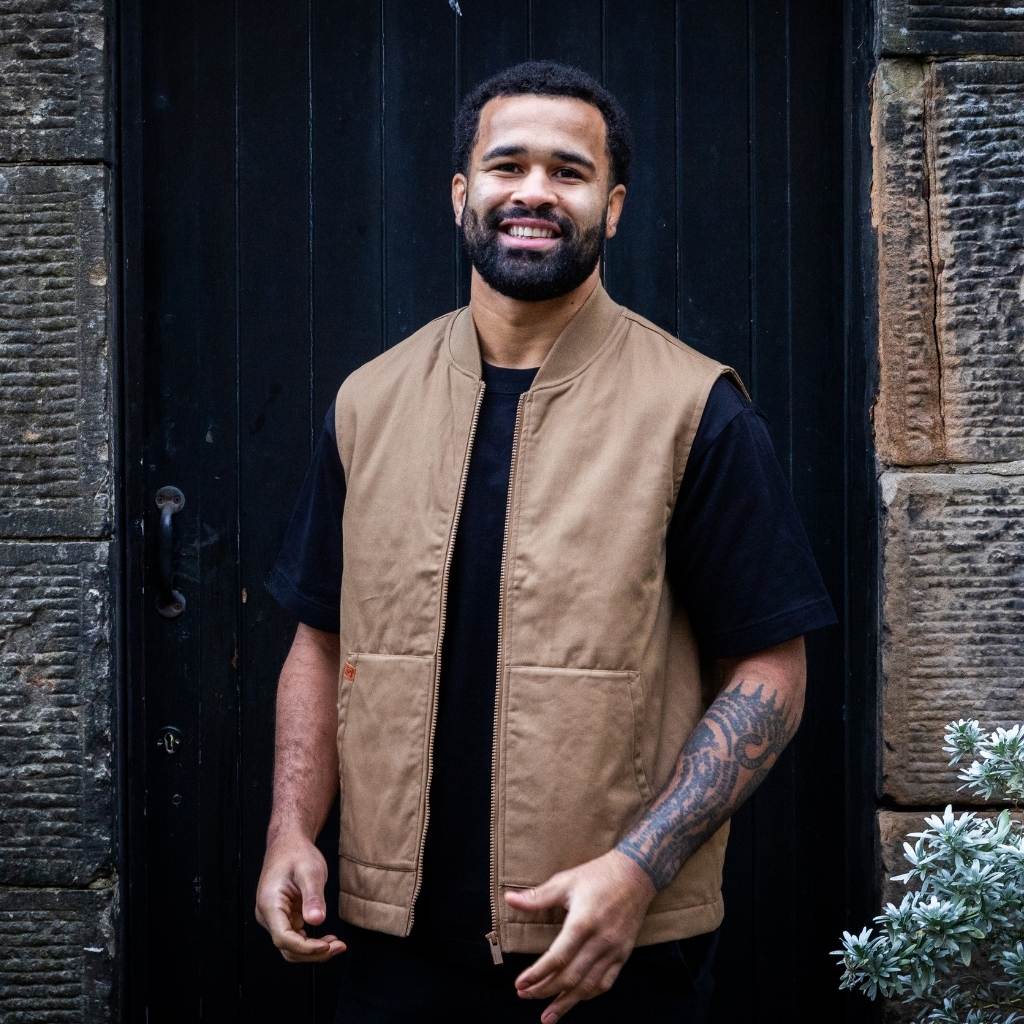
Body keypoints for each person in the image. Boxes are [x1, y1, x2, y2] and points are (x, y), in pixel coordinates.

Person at [254, 60, 837, 1023]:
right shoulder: (370, 401)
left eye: (569, 172)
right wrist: (290, 831)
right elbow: (320, 641)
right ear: (461, 194)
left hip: (603, 946)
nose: (533, 191)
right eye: (507, 165)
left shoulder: (695, 410)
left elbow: (773, 671)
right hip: (382, 943)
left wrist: (638, 868)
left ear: (614, 207)